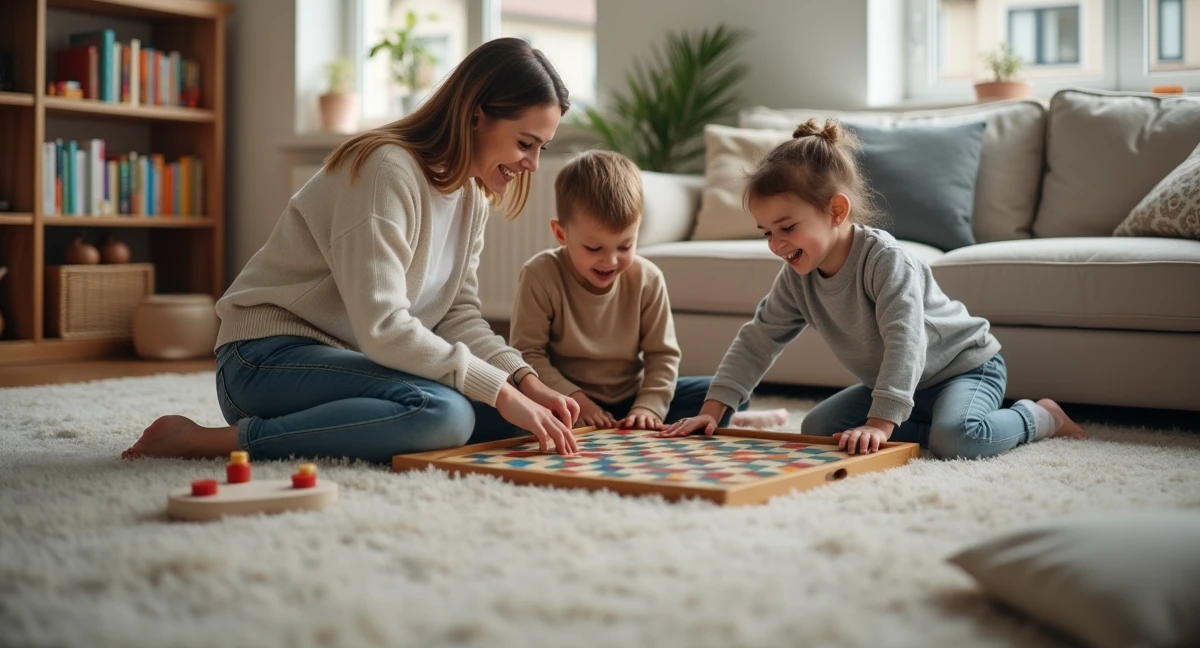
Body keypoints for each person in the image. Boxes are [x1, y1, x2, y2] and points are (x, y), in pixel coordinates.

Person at [124, 38, 582, 464]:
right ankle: (203, 440)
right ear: (476, 115)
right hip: (264, 360)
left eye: (542, 148)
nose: (533, 165)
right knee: (448, 415)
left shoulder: (471, 198)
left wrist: (524, 382)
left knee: (513, 416)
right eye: (526, 144)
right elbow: (383, 326)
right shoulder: (387, 170)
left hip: (361, 367)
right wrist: (500, 391)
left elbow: (458, 316)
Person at [662, 119, 1085, 457]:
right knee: (820, 428)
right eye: (766, 232)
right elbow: (757, 339)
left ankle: (1039, 415)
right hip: (906, 384)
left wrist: (881, 423)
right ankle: (927, 423)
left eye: (787, 227)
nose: (776, 244)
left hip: (964, 368)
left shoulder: (885, 261)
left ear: (836, 210)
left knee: (960, 439)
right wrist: (713, 411)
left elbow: (906, 340)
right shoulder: (796, 278)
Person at [509, 150, 787, 431]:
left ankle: (734, 418)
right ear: (561, 234)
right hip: (563, 398)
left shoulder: (648, 278)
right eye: (594, 248)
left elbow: (662, 356)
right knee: (504, 412)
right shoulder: (540, 274)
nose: (611, 261)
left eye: (625, 246)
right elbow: (528, 354)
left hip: (631, 398)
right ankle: (734, 421)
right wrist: (575, 399)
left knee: (722, 395)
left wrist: (647, 407)